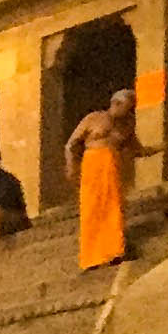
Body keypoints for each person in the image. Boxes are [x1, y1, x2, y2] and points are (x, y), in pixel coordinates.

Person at [68, 85, 141, 272]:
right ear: (116, 103)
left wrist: (167, 145)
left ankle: (114, 251)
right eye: (128, 106)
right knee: (91, 209)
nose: (130, 110)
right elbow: (71, 144)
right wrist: (71, 168)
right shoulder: (94, 118)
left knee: (113, 207)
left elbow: (138, 150)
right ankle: (91, 258)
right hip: (92, 164)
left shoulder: (127, 125)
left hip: (111, 166)